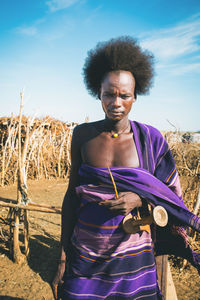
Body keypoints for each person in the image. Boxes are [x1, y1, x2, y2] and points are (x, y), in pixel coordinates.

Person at [52, 36, 200, 300]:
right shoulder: (82, 136)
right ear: (98, 92)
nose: (116, 102)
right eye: (109, 94)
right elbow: (71, 195)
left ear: (135, 96)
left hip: (134, 257)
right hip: (86, 251)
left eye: (125, 95)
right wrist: (63, 257)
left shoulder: (151, 140)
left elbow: (171, 198)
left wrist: (140, 198)